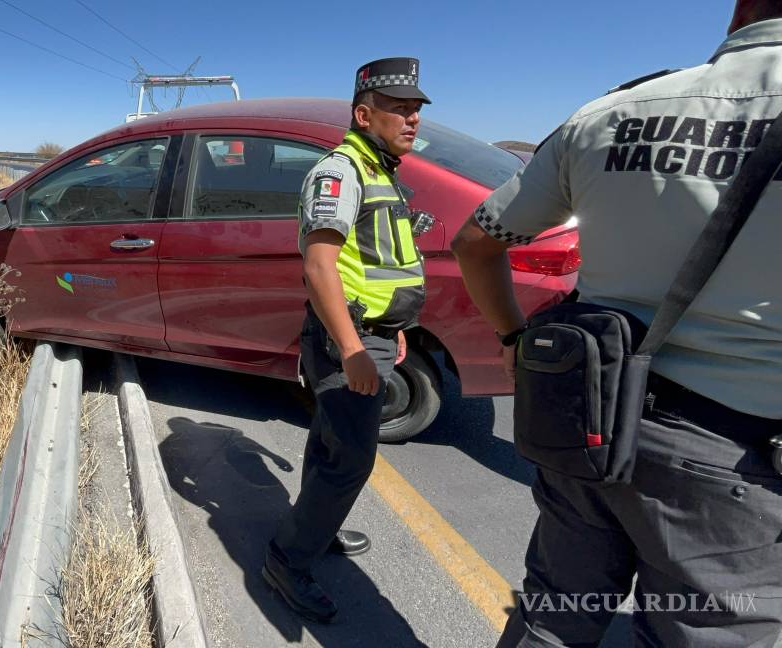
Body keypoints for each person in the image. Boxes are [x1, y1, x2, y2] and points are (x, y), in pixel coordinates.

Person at [451, 2, 782, 645]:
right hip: (735, 460)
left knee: (554, 617)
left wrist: (516, 341)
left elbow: (475, 241)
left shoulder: (608, 114)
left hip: (590, 420)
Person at [263, 57, 434, 623]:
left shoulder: (381, 170)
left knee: (331, 443)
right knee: (351, 460)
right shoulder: (342, 172)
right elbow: (319, 267)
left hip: (374, 335)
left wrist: (395, 330)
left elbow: (382, 260)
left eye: (415, 109)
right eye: (398, 109)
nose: (411, 119)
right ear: (364, 115)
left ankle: (315, 526)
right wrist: (357, 347)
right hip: (348, 339)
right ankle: (288, 561)